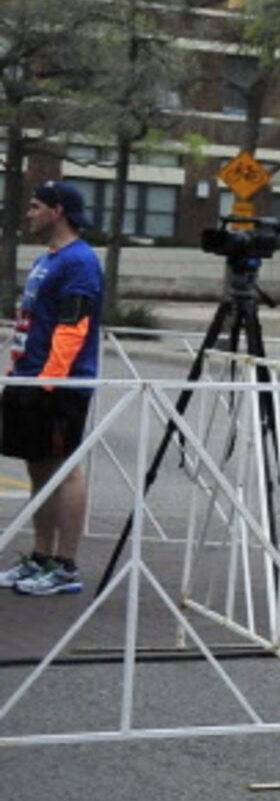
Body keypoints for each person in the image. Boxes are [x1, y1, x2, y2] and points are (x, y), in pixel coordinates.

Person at [3, 181, 103, 597]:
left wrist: (50, 380)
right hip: (29, 375)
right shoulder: (50, 258)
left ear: (57, 211)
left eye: (35, 206)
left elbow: (73, 325)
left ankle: (65, 565)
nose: (28, 213)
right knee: (38, 464)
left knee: (65, 467)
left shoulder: (79, 262)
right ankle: (41, 555)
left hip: (59, 383)